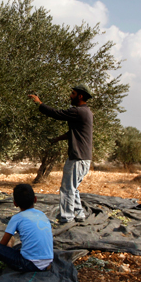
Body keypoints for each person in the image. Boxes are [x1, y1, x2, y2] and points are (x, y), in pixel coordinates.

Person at [28, 84, 93, 224]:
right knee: (73, 188)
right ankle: (79, 214)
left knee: (67, 188)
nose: (70, 96)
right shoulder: (86, 112)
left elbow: (57, 114)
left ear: (80, 96)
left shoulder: (78, 111)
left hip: (77, 158)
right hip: (84, 158)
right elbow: (75, 133)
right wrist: (58, 138)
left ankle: (67, 218)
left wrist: (40, 104)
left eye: (73, 93)